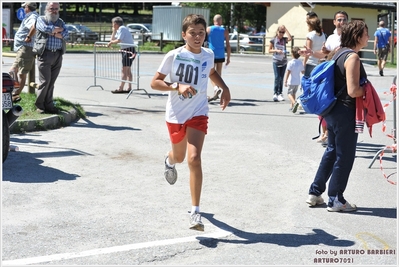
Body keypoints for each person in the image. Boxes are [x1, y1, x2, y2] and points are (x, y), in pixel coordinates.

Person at [150, 14, 231, 231]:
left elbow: (211, 71)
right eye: (192, 33)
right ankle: (169, 160)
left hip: (198, 112)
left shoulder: (208, 54)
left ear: (206, 34)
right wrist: (177, 87)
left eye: (201, 33)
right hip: (176, 114)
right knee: (179, 156)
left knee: (194, 159)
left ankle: (195, 213)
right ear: (183, 34)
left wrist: (225, 89)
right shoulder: (174, 55)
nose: (197, 37)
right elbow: (155, 82)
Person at [305, 20, 369, 212]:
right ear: (357, 36)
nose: (368, 37)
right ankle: (336, 199)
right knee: (345, 156)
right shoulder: (353, 58)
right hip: (345, 112)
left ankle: (315, 193)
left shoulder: (338, 52)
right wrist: (367, 91)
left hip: (331, 111)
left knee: (332, 151)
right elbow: (353, 90)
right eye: (366, 33)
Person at [8, 2, 38, 103]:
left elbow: (34, 26)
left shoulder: (32, 16)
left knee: (21, 73)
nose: (24, 9)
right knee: (12, 70)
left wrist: (28, 37)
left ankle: (16, 95)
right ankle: (13, 91)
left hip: (26, 48)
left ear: (27, 8)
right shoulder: (30, 16)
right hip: (22, 48)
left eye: (24, 7)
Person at [107, 16, 135, 94]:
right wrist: (113, 31)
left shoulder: (122, 28)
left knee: (124, 70)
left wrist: (111, 43)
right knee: (128, 70)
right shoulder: (120, 29)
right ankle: (129, 87)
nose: (112, 25)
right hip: (126, 50)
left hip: (129, 50)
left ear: (115, 24)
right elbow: (112, 40)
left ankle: (121, 87)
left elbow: (118, 40)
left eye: (113, 24)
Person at [206, 14, 230, 102]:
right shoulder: (225, 30)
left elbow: (204, 40)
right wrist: (228, 58)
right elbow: (228, 45)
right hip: (221, 53)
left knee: (210, 72)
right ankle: (217, 88)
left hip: (211, 52)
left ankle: (215, 88)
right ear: (221, 21)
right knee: (218, 72)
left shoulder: (209, 29)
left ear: (213, 20)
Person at [268, 25, 292, 102]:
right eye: (280, 32)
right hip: (276, 61)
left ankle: (280, 93)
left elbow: (290, 38)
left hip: (283, 61)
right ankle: (275, 93)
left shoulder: (284, 40)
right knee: (277, 77)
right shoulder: (273, 40)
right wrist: (276, 50)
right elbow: (269, 50)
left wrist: (286, 29)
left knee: (281, 77)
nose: (281, 34)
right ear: (277, 32)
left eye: (283, 32)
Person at [284, 47, 304, 113]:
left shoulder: (290, 62)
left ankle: (294, 103)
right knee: (294, 93)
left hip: (291, 80)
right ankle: (292, 106)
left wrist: (285, 80)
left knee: (289, 93)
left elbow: (288, 72)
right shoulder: (300, 62)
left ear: (292, 54)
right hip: (297, 81)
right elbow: (303, 72)